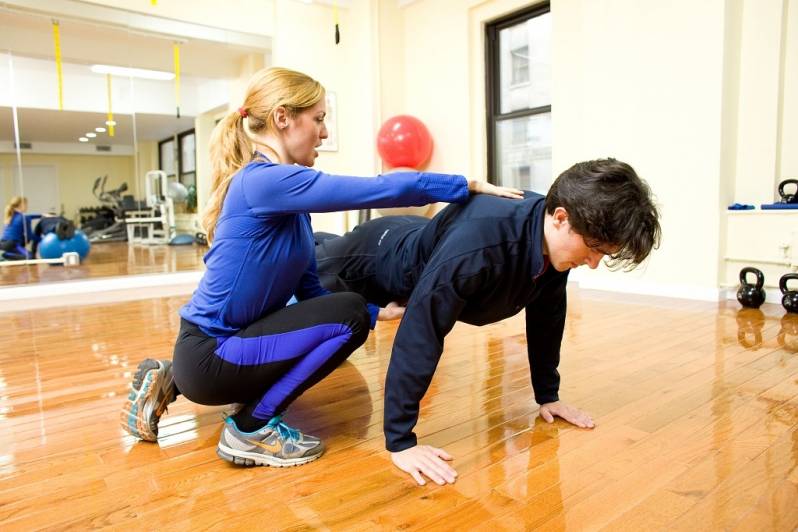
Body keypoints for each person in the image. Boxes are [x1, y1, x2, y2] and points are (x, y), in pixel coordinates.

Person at [119, 66, 522, 468]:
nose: (325, 133)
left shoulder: (293, 211)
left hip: (213, 353)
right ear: (282, 118)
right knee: (347, 313)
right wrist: (462, 185)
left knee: (350, 310)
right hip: (212, 355)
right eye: (319, 119)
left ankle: (170, 378)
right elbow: (377, 188)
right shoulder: (262, 181)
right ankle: (249, 429)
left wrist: (377, 313)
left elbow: (311, 290)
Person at [314, 158, 662, 485]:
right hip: (372, 255)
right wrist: (401, 442)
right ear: (559, 217)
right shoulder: (479, 247)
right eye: (594, 248)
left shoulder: (555, 242)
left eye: (604, 253)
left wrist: (548, 396)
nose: (594, 263)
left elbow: (547, 315)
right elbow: (422, 330)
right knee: (310, 270)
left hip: (427, 245)